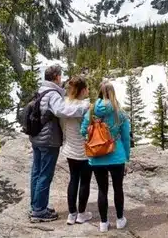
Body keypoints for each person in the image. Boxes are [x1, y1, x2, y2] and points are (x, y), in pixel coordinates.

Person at [29, 64, 90, 223]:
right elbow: (62, 111)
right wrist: (84, 107)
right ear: (56, 77)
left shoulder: (41, 90)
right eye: (60, 76)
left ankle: (36, 205)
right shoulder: (53, 94)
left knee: (36, 172)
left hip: (37, 137)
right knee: (45, 174)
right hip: (48, 139)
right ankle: (39, 211)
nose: (61, 79)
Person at [81, 81, 131, 232]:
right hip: (116, 156)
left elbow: (83, 131)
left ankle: (103, 223)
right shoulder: (119, 113)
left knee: (102, 190)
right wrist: (127, 157)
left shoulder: (91, 111)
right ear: (113, 93)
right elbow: (126, 138)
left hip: (97, 157)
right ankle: (120, 219)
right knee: (118, 188)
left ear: (99, 92)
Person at [61, 76, 93, 225]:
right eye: (87, 88)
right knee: (85, 181)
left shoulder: (65, 105)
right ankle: (81, 214)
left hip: (70, 148)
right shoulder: (86, 106)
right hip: (85, 149)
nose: (88, 91)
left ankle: (71, 214)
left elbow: (62, 125)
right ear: (83, 90)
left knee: (73, 179)